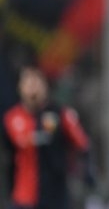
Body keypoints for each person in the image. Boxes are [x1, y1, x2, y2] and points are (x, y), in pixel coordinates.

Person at [2, 65, 95, 209]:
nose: (33, 88)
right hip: (24, 197)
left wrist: (87, 172)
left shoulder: (61, 115)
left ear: (45, 86)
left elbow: (82, 144)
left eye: (37, 82)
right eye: (28, 83)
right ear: (20, 87)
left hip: (56, 197)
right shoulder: (12, 118)